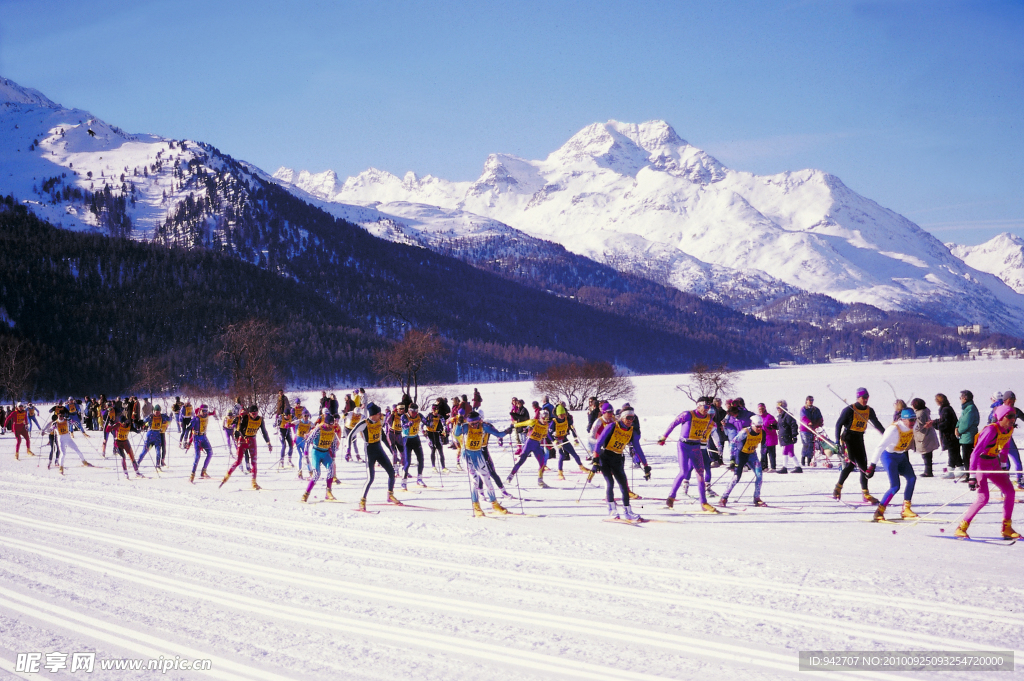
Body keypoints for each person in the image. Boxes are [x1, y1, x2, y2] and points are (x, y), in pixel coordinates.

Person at [956, 404, 1020, 540]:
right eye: (1009, 416)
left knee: (1010, 491)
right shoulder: (991, 430)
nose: (1012, 419)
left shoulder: (1009, 430)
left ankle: (1006, 528)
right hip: (980, 464)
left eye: (1014, 417)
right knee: (983, 498)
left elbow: (1005, 446)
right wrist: (972, 476)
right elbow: (975, 453)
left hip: (994, 463)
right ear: (1001, 417)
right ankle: (961, 527)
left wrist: (1003, 465)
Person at [658, 397, 719, 513]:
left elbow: (708, 432)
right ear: (698, 406)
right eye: (705, 407)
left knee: (700, 473)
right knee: (684, 471)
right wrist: (664, 437)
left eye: (709, 407)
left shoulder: (709, 418)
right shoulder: (688, 414)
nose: (707, 410)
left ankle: (704, 503)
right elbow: (673, 424)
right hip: (683, 445)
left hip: (696, 446)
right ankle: (671, 497)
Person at [455, 411, 513, 516]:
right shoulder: (466, 427)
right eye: (472, 423)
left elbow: (498, 434)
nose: (474, 425)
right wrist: (459, 423)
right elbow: (457, 433)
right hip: (467, 455)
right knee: (475, 480)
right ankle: (476, 506)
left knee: (487, 478)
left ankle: (494, 504)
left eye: (476, 422)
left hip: (478, 454)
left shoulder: (484, 427)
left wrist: (507, 431)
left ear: (480, 420)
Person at [346, 403, 403, 510]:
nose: (380, 415)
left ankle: (390, 495)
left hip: (378, 448)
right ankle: (362, 501)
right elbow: (350, 435)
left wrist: (392, 452)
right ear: (374, 414)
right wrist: (348, 450)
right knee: (370, 478)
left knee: (391, 472)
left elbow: (384, 437)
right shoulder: (364, 423)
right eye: (379, 414)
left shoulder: (380, 420)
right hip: (369, 451)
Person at [593, 408, 646, 521]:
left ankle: (628, 511)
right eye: (628, 417)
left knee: (623, 484)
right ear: (622, 417)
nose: (630, 420)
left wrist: (646, 465)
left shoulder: (632, 431)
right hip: (605, 457)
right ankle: (612, 510)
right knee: (610, 483)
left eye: (633, 418)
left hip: (617, 458)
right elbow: (598, 443)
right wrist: (595, 460)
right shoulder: (612, 426)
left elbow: (638, 448)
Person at [833, 388, 885, 503]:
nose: (865, 400)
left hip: (859, 438)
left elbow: (876, 423)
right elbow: (838, 424)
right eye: (863, 397)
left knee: (863, 467)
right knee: (850, 465)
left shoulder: (869, 410)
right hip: (848, 438)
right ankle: (838, 488)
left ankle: (865, 494)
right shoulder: (849, 409)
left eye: (867, 397)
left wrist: (886, 435)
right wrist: (837, 440)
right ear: (858, 398)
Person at [868, 408, 919, 521]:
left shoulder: (913, 426)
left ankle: (906, 509)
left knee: (912, 479)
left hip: (901, 456)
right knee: (895, 486)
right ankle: (879, 512)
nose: (913, 422)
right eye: (911, 420)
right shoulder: (893, 429)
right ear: (903, 419)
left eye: (914, 420)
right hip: (889, 457)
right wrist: (872, 465)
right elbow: (880, 447)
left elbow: (921, 427)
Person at [221, 405, 272, 490]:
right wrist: (242, 436)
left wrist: (268, 443)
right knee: (238, 461)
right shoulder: (245, 418)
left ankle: (254, 482)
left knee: (254, 462)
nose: (254, 415)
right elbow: (240, 429)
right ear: (249, 413)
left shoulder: (260, 419)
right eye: (252, 413)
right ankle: (226, 476)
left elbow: (264, 431)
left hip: (252, 440)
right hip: (243, 440)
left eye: (256, 413)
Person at [719, 416, 767, 507]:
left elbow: (764, 446)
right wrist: (732, 458)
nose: (759, 429)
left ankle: (757, 498)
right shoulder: (745, 432)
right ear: (752, 425)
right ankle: (724, 498)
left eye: (761, 426)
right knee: (736, 477)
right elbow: (733, 442)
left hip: (752, 455)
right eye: (757, 426)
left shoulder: (762, 433)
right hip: (741, 455)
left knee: (759, 476)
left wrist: (763, 459)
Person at [510, 409, 554, 488]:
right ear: (540, 417)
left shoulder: (547, 425)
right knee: (522, 460)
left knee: (542, 462)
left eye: (547, 419)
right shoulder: (534, 422)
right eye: (544, 419)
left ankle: (540, 481)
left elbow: (544, 435)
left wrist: (549, 440)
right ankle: (510, 476)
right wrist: (513, 426)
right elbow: (523, 423)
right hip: (529, 443)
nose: (545, 421)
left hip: (537, 444)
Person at [302, 414, 341, 502]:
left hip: (326, 453)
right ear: (325, 423)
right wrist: (306, 454)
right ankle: (306, 494)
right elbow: (308, 441)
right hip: (316, 452)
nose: (330, 426)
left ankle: (328, 492)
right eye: (329, 424)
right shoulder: (319, 429)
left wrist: (334, 455)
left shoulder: (332, 431)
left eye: (332, 424)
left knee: (331, 470)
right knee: (316, 474)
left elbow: (334, 443)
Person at [42, 410, 94, 474]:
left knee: (77, 450)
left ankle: (84, 462)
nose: (61, 417)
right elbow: (50, 429)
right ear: (58, 415)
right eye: (60, 416)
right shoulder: (55, 423)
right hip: (61, 439)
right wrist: (45, 432)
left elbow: (75, 423)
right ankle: (61, 468)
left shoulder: (67, 420)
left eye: (62, 415)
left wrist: (74, 422)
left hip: (68, 438)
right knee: (63, 454)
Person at [550, 405, 586, 479]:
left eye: (563, 414)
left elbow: (573, 429)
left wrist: (575, 438)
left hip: (564, 438)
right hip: (557, 440)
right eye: (560, 414)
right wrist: (554, 441)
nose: (562, 416)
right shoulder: (554, 422)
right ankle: (560, 472)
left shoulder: (567, 419)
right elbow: (548, 433)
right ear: (557, 415)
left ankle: (581, 467)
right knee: (562, 455)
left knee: (574, 454)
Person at [998, 390, 1024, 490]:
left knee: (1017, 459)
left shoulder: (1016, 411)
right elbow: (992, 423)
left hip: (1008, 438)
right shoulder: (1000, 410)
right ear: (1005, 400)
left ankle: (1020, 480)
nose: (1012, 402)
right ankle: (1004, 484)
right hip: (1000, 439)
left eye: (1014, 400)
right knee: (1005, 463)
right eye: (1010, 400)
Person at [953, 390, 979, 481]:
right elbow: (961, 419)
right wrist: (956, 427)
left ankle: (970, 476)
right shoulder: (966, 408)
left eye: (960, 398)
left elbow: (966, 423)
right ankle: (969, 474)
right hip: (965, 437)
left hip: (968, 437)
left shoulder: (970, 408)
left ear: (965, 398)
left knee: (968, 457)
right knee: (966, 457)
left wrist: (959, 430)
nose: (960, 399)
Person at [911, 397, 939, 477]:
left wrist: (912, 426)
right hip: (928, 436)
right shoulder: (924, 411)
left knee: (926, 455)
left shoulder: (920, 414)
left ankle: (928, 472)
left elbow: (919, 425)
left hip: (923, 437)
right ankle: (928, 471)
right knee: (928, 455)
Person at [400, 403, 427, 489]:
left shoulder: (419, 415)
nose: (414, 413)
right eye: (412, 411)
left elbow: (425, 421)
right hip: (407, 439)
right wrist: (408, 424)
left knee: (421, 459)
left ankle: (419, 479)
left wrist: (429, 423)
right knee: (408, 462)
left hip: (416, 439)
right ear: (409, 410)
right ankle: (403, 481)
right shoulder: (404, 416)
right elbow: (403, 426)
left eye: (416, 411)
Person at [188, 404, 215, 483]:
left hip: (203, 437)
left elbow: (211, 413)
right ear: (200, 410)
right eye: (203, 411)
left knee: (210, 453)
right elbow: (188, 428)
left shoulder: (207, 415)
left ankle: (203, 471)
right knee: (197, 456)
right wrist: (186, 440)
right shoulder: (196, 419)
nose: (205, 412)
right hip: (196, 437)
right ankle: (192, 474)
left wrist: (214, 412)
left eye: (206, 411)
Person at [137, 405, 169, 469]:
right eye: (156, 412)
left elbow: (169, 418)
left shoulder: (162, 416)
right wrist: (148, 418)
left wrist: (167, 420)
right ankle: (137, 463)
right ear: (154, 411)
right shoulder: (151, 416)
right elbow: (144, 420)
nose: (157, 413)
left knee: (158, 452)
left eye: (159, 412)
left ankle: (158, 465)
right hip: (150, 435)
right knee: (145, 450)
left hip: (158, 436)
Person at [934, 393, 959, 478]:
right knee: (955, 453)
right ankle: (961, 468)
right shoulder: (946, 409)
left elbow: (945, 424)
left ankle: (950, 471)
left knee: (952, 453)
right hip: (950, 435)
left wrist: (934, 425)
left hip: (949, 435)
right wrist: (934, 422)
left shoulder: (945, 410)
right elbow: (943, 420)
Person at [775, 400, 802, 473]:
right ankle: (798, 467)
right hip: (783, 436)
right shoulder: (780, 417)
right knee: (790, 453)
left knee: (785, 451)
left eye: (779, 408)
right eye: (777, 408)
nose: (778, 410)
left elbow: (794, 426)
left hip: (788, 437)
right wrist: (774, 426)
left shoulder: (788, 415)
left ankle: (784, 467)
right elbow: (780, 426)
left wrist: (794, 435)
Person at [799, 396, 824, 467]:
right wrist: (808, 422)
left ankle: (809, 459)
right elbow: (803, 418)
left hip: (813, 429)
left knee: (812, 445)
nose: (810, 401)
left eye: (812, 400)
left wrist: (820, 423)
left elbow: (820, 417)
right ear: (806, 401)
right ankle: (803, 458)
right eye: (809, 400)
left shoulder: (816, 409)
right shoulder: (803, 409)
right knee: (806, 444)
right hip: (805, 429)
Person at [757, 403, 779, 472]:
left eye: (762, 409)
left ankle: (773, 467)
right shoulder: (758, 417)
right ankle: (764, 466)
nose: (761, 410)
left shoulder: (769, 416)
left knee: (771, 453)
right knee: (763, 453)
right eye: (760, 409)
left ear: (765, 408)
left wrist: (771, 425)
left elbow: (775, 424)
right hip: (762, 437)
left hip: (770, 437)